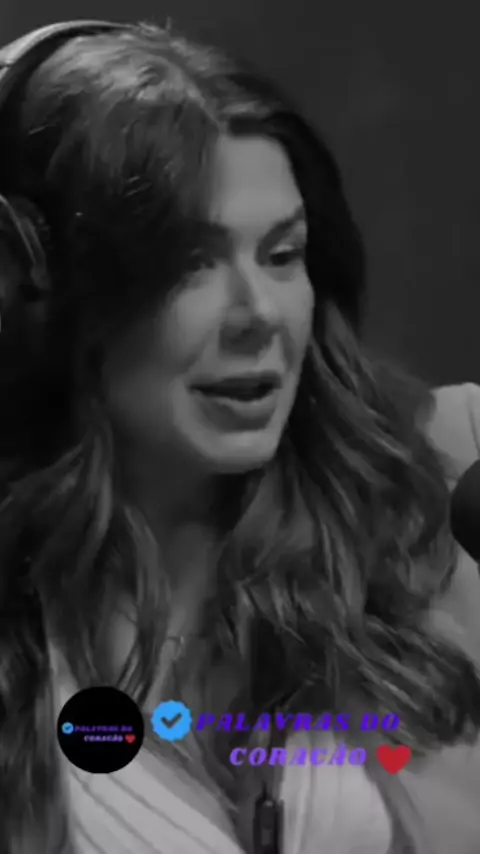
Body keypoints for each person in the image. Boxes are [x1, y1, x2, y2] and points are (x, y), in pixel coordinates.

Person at [0, 18, 479, 854]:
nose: (259, 314)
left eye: (283, 254)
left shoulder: (448, 484)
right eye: (189, 263)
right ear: (38, 294)